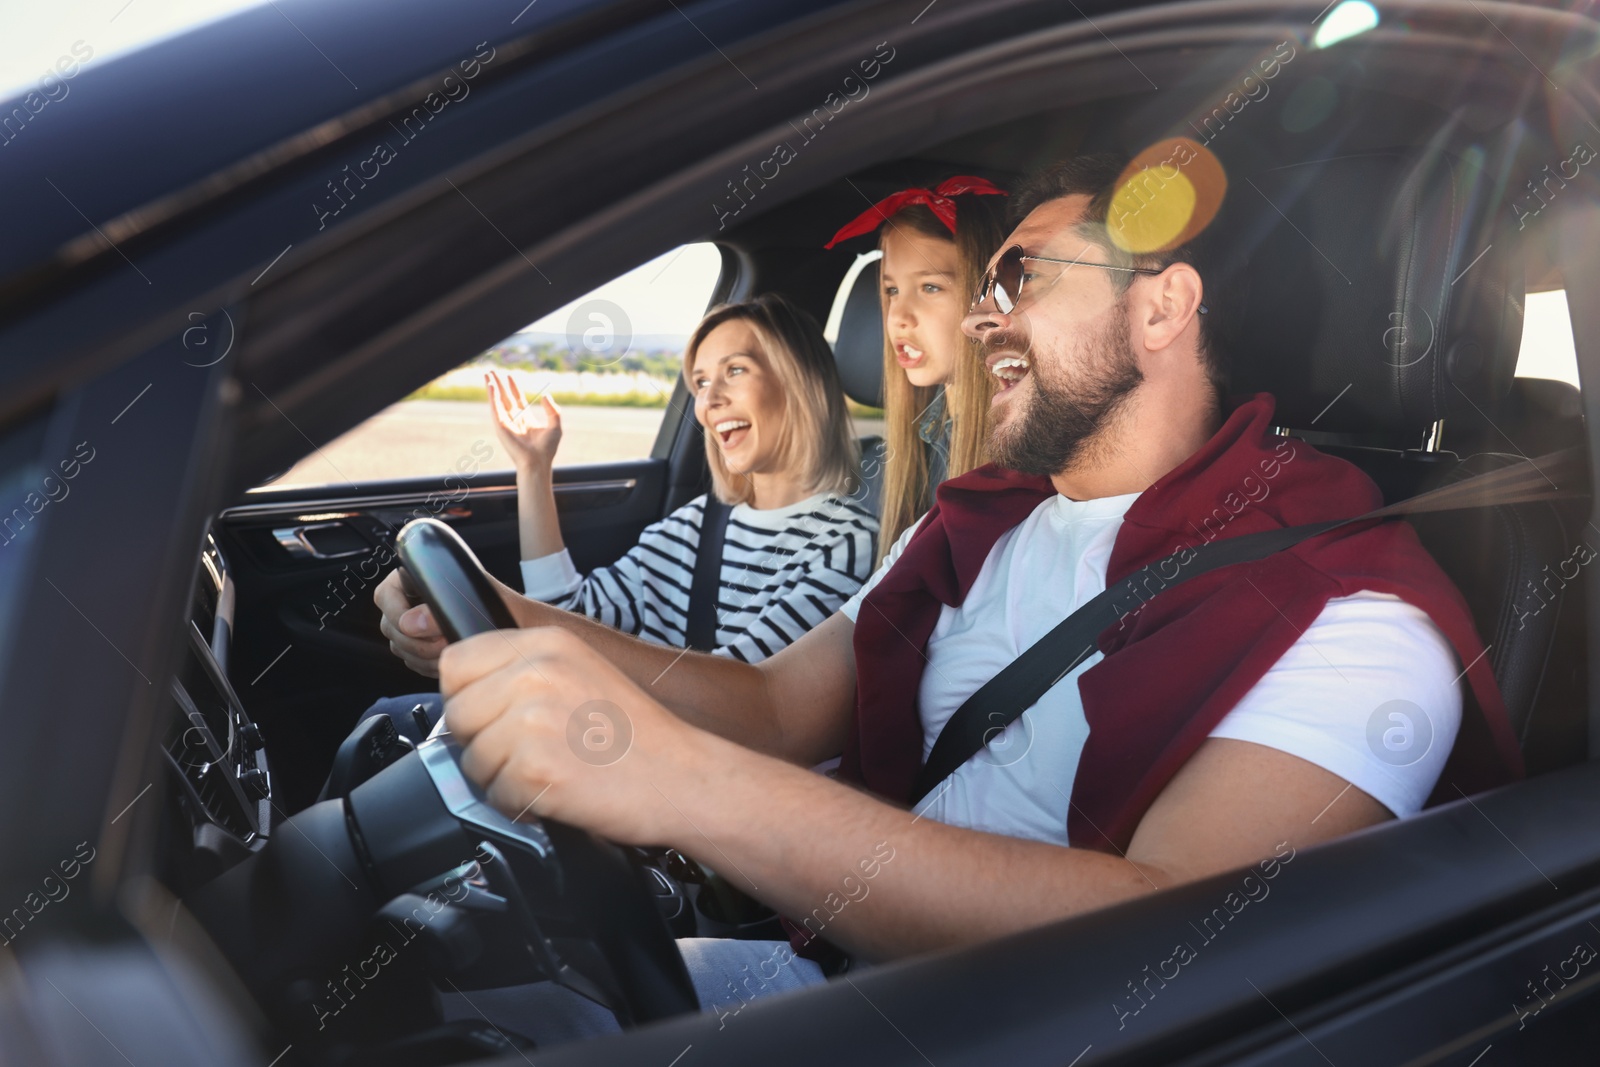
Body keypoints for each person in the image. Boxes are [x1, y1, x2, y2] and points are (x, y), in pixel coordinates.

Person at [375, 153, 1522, 1042]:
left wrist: (674, 781)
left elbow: (1166, 935)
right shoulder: (978, 516)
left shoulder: (1354, 612)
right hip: (831, 971)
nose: (979, 318)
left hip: (999, 1031)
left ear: (1162, 307)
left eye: (1016, 275)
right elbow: (778, 707)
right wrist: (504, 611)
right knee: (422, 965)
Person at [367, 293, 877, 742]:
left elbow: (745, 709)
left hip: (677, 779)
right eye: (699, 381)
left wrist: (512, 625)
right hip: (616, 738)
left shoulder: (846, 544)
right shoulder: (700, 522)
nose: (709, 399)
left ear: (800, 381)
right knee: (389, 724)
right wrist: (533, 467)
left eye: (735, 370)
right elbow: (571, 609)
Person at [826, 176, 1009, 560]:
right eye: (892, 290)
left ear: (992, 296)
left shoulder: (1022, 461)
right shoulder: (885, 465)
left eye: (929, 287)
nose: (898, 317)